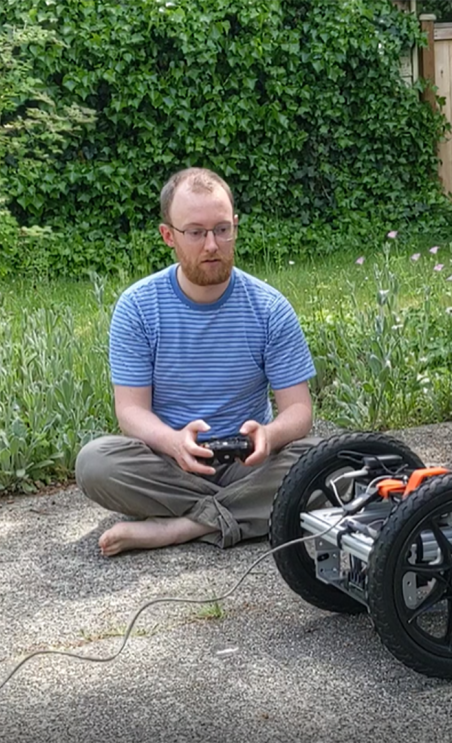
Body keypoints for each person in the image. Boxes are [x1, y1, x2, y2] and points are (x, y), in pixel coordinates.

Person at [75, 167, 318, 556]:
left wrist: (269, 436)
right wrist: (173, 443)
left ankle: (183, 526)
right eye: (196, 232)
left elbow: (300, 411)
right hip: (170, 462)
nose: (211, 245)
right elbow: (130, 411)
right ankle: (244, 512)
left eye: (222, 229)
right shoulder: (138, 307)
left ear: (235, 226)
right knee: (95, 463)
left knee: (329, 464)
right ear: (168, 235)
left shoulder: (270, 308)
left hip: (249, 459)